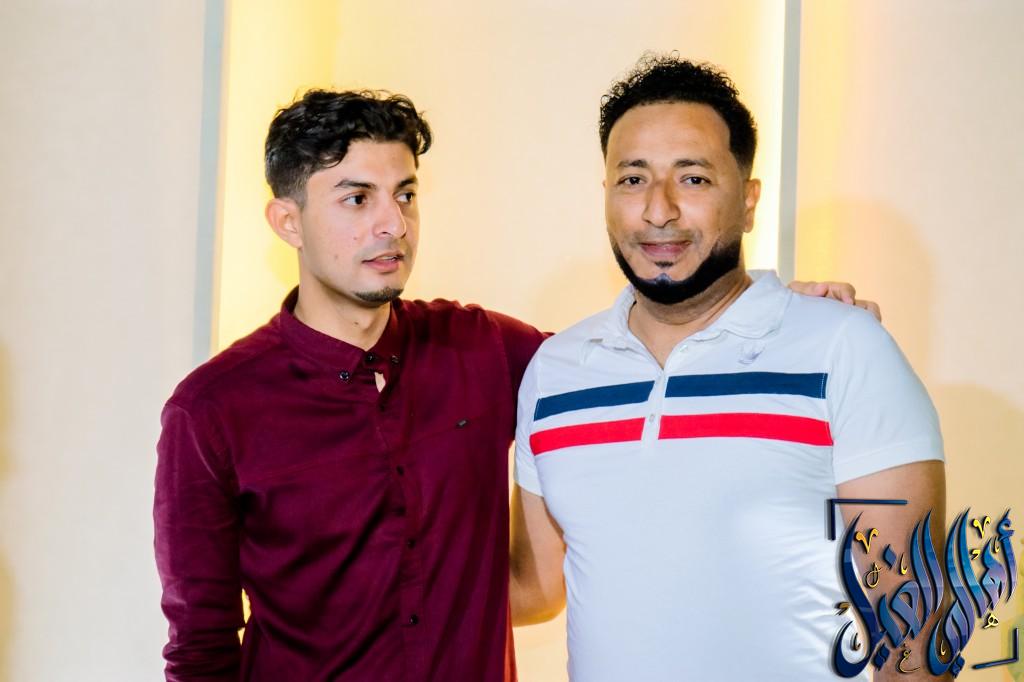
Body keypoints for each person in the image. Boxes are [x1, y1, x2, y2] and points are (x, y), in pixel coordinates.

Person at [154, 87, 873, 681]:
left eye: (405, 194)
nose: (392, 224)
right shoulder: (211, 410)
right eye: (356, 199)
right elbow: (201, 646)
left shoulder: (483, 349)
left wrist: (782, 315)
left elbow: (644, 363)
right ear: (288, 221)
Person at [509, 55, 945, 682]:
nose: (658, 210)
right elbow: (533, 588)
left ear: (748, 201)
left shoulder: (844, 347)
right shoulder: (556, 372)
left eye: (693, 178)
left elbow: (911, 622)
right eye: (633, 179)